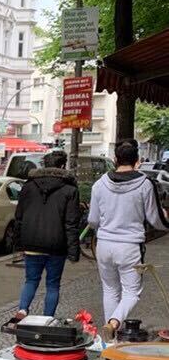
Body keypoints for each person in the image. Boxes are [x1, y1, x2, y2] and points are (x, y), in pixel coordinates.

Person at [88, 138, 169, 340]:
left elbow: (93, 220)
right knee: (132, 292)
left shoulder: (99, 185)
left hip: (104, 245)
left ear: (115, 159)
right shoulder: (145, 184)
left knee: (110, 290)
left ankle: (111, 340)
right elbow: (155, 219)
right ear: (137, 160)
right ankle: (114, 322)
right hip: (130, 246)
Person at [13, 150, 80, 318]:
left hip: (31, 242)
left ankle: (22, 309)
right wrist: (73, 252)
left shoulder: (28, 186)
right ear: (63, 166)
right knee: (53, 284)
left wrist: (18, 243)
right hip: (56, 245)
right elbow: (71, 223)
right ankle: (47, 318)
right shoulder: (70, 189)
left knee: (31, 280)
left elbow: (19, 217)